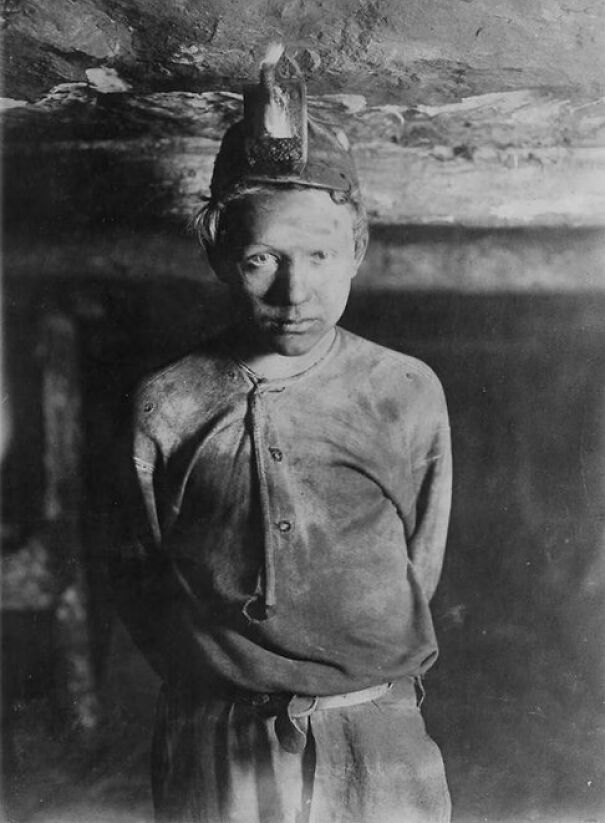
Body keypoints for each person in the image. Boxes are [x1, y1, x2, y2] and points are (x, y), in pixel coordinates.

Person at [114, 44, 452, 823]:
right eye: (262, 258)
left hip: (371, 730)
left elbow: (418, 565)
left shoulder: (403, 391)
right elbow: (139, 572)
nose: (295, 291)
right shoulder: (167, 401)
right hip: (216, 737)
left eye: (320, 256)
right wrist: (223, 688)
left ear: (357, 252)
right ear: (219, 255)